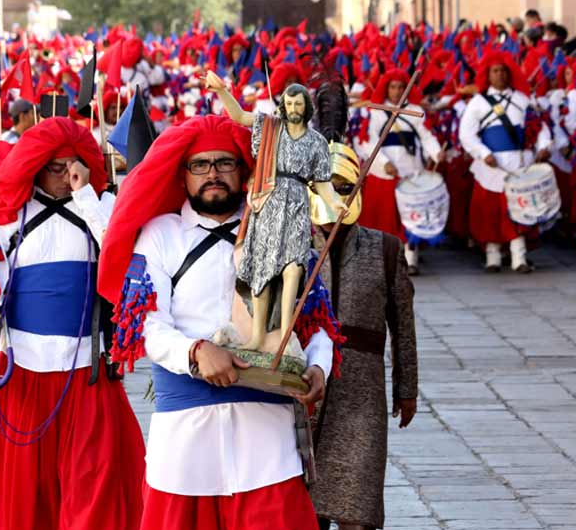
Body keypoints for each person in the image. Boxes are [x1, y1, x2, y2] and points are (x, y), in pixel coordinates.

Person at [98, 114, 341, 530]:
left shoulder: (280, 228)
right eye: (201, 165)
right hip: (186, 441)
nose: (213, 173)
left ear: (244, 170)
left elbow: (315, 320)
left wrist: (319, 366)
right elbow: (144, 323)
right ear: (183, 176)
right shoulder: (161, 236)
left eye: (224, 163)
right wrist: (194, 352)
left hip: (266, 437)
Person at [0, 117, 144, 530]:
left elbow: (121, 252)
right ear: (36, 167)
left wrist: (84, 195)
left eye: (74, 166)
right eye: (57, 168)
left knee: (94, 478)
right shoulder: (8, 218)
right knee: (30, 487)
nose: (66, 176)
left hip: (88, 373)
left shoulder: (99, 206)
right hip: (25, 372)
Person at [307, 88, 419, 530]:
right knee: (305, 502)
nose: (335, 195)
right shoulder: (296, 242)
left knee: (357, 496)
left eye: (345, 186)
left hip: (363, 389)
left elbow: (404, 325)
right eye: (325, 184)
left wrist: (406, 388)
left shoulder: (386, 248)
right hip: (305, 387)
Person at [204, 69, 345, 349]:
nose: (293, 109)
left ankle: (283, 333)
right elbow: (240, 116)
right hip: (267, 200)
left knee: (293, 269)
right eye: (289, 104)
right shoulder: (270, 127)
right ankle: (257, 337)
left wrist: (335, 203)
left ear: (307, 107)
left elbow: (322, 182)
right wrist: (221, 91)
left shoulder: (316, 141)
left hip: (296, 205)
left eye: (299, 104)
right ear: (284, 105)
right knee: (264, 271)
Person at [459, 51, 553, 272]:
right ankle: (493, 256)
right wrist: (483, 153)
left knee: (519, 210)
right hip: (492, 167)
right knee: (491, 211)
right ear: (487, 75)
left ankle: (518, 257)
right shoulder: (478, 102)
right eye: (495, 71)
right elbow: (467, 134)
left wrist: (542, 148)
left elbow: (540, 128)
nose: (500, 75)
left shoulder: (523, 99)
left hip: (521, 163)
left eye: (503, 71)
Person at [350, 69, 443, 274]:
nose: (397, 91)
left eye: (401, 87)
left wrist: (436, 153)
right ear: (386, 88)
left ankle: (410, 259)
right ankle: (382, 258)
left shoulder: (416, 110)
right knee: (384, 218)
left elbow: (426, 136)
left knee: (411, 216)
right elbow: (366, 140)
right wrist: (383, 163)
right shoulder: (375, 112)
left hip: (411, 171)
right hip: (385, 173)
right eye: (393, 87)